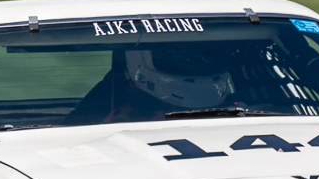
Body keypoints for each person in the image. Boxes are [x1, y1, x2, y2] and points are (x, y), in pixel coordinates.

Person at [63, 48, 237, 124]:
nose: (192, 62)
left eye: (202, 56)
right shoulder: (111, 99)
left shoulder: (244, 108)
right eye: (175, 56)